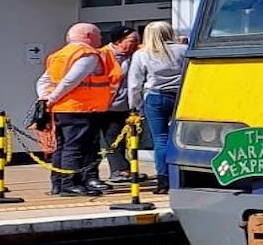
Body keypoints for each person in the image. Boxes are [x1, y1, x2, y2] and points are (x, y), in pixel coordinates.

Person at [36, 23, 122, 196]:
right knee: (76, 147)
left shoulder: (58, 55)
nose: (101, 39)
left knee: (62, 146)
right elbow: (71, 80)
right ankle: (70, 183)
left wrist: (45, 98)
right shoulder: (87, 54)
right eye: (98, 35)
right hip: (81, 108)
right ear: (89, 35)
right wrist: (52, 98)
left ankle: (58, 183)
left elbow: (43, 81)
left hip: (62, 109)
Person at [128, 20, 187, 194]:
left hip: (155, 97)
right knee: (181, 138)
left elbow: (134, 83)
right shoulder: (183, 51)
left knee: (160, 139)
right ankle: (182, 176)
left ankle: (163, 180)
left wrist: (135, 106)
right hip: (180, 96)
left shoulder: (142, 54)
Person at [99, 25, 140, 183]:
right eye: (132, 40)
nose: (136, 43)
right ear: (118, 41)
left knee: (123, 138)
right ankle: (119, 170)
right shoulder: (103, 55)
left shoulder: (134, 54)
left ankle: (125, 168)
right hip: (107, 105)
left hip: (125, 104)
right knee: (112, 137)